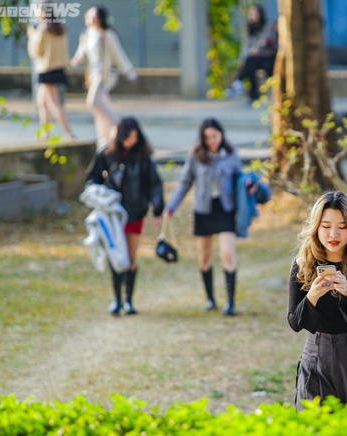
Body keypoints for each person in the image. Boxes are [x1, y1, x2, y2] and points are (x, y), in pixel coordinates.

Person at [288, 191, 347, 412]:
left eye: (342, 227)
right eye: (326, 226)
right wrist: (313, 294)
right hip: (315, 356)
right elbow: (294, 322)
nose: (334, 234)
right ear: (316, 228)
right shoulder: (302, 264)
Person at [164, 118, 251, 317]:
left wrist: (249, 185)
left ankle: (230, 302)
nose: (212, 140)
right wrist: (171, 207)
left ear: (221, 134)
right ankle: (210, 298)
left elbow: (241, 178)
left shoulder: (231, 153)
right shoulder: (196, 155)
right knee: (204, 257)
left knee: (227, 253)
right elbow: (185, 183)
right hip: (203, 210)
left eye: (215, 136)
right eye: (207, 137)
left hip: (225, 209)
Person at [86, 117, 164, 315]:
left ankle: (129, 299)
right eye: (128, 137)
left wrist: (158, 208)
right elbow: (92, 178)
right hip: (113, 213)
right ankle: (117, 299)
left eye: (135, 137)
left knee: (130, 256)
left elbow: (154, 183)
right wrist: (102, 195)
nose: (131, 141)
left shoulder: (143, 156)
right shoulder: (107, 153)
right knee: (115, 255)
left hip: (135, 212)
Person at [71, 5, 137, 146]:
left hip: (103, 75)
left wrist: (129, 71)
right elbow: (82, 51)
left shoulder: (107, 35)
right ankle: (104, 137)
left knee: (93, 101)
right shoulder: (87, 33)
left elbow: (119, 54)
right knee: (100, 107)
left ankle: (120, 126)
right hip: (92, 74)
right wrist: (76, 59)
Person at [26, 14, 75, 140]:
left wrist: (32, 35)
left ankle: (68, 133)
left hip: (47, 68)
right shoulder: (60, 28)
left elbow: (35, 51)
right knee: (42, 101)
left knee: (54, 102)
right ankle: (45, 133)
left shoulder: (43, 29)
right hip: (58, 67)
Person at [228, 4, 277, 102]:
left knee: (250, 61)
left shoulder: (268, 26)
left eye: (255, 13)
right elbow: (246, 46)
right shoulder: (250, 29)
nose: (253, 15)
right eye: (251, 13)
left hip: (268, 58)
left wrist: (258, 49)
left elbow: (268, 41)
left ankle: (238, 84)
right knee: (249, 63)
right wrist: (243, 58)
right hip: (254, 59)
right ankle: (251, 95)